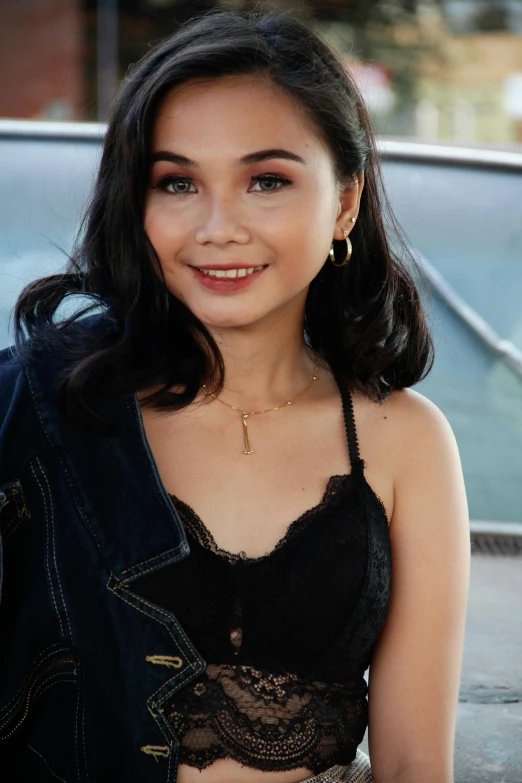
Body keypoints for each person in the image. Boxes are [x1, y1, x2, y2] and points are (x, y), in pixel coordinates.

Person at [0, 9, 470, 783]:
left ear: (345, 203)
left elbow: (416, 762)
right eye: (177, 182)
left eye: (267, 180)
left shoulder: (405, 440)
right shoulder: (40, 409)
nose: (218, 227)